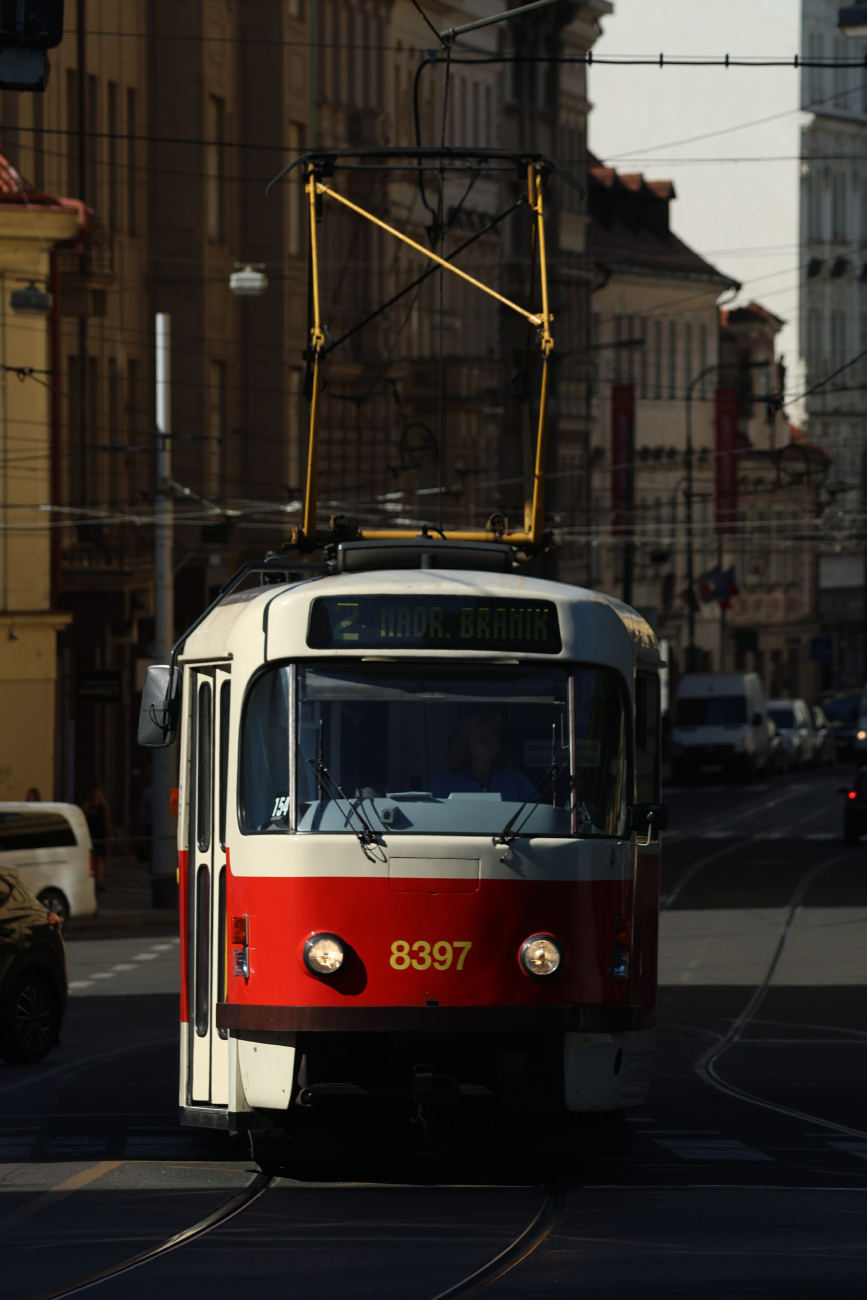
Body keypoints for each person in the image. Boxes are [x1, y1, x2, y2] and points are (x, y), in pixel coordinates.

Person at [431, 710, 537, 803]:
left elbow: (536, 812)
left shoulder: (513, 778)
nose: (490, 742)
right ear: (466, 741)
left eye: (494, 736)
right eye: (483, 737)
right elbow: (431, 814)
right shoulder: (446, 781)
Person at [82, 783, 113, 893]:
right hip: (90, 834)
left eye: (97, 793)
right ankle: (91, 881)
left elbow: (107, 821)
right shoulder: (87, 805)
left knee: (99, 859)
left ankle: (99, 881)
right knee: (90, 859)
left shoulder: (103, 806)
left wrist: (110, 834)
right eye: (94, 793)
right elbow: (84, 820)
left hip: (100, 833)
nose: (96, 795)